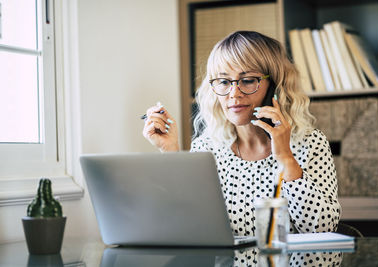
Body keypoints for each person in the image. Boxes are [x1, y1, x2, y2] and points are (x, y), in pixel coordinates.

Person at [142, 31, 341, 236]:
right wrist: (171, 153)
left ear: (274, 87)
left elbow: (322, 229)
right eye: (224, 81)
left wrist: (285, 158)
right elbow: (187, 227)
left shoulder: (311, 143)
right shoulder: (207, 148)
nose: (234, 94)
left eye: (247, 80)